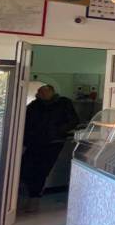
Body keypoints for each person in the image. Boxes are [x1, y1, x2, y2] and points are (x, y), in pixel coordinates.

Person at [20, 85, 78, 213]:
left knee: (41, 171)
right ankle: (27, 198)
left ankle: (33, 200)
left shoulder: (63, 103)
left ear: (52, 92)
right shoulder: (34, 106)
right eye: (40, 92)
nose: (42, 94)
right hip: (35, 142)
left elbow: (73, 120)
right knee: (25, 168)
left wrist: (57, 131)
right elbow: (26, 122)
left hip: (53, 142)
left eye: (45, 92)